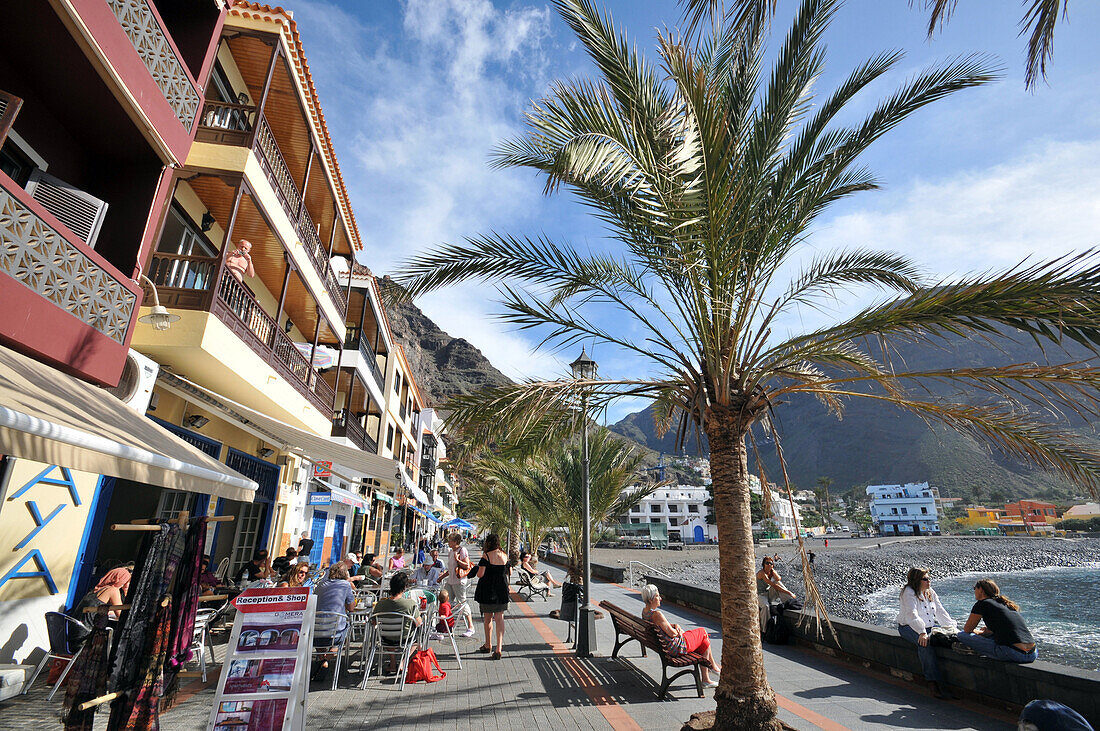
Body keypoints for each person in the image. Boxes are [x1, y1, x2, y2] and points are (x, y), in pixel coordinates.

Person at [640, 584, 720, 687]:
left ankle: (708, 676)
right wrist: (680, 631)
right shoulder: (657, 614)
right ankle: (711, 671)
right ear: (651, 600)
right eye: (657, 596)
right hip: (676, 647)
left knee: (703, 641)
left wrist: (675, 625)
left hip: (663, 646)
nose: (660, 598)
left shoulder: (645, 612)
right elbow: (672, 634)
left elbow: (662, 626)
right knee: (703, 632)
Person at [897, 566, 958, 699]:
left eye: (929, 578)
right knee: (925, 644)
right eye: (925, 579)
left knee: (949, 641)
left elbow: (940, 611)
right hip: (909, 627)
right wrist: (922, 632)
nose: (929, 581)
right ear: (916, 580)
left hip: (929, 627)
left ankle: (950, 684)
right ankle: (933, 683)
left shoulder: (930, 592)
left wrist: (952, 628)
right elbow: (911, 615)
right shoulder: (909, 592)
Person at [956, 578, 1037, 663]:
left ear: (981, 590)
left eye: (974, 588)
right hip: (1032, 654)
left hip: (1013, 653)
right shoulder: (1007, 605)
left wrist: (978, 632)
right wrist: (987, 632)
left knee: (962, 635)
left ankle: (976, 650)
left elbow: (967, 629)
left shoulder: (982, 604)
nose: (974, 591)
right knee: (991, 636)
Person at [313, 564, 355, 677]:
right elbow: (351, 608)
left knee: (320, 633)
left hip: (315, 635)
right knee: (345, 633)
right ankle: (326, 660)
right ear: (345, 574)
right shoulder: (345, 585)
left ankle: (322, 658)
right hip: (335, 634)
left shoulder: (320, 585)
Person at [474, 533, 512, 659]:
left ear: (488, 543)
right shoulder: (504, 555)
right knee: (500, 619)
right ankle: (499, 648)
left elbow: (480, 574)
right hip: (501, 590)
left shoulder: (486, 556)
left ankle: (488, 644)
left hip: (488, 591)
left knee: (488, 619)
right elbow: (509, 572)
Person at [442, 533, 475, 637]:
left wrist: (458, 559)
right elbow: (450, 568)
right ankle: (446, 627)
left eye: (450, 540)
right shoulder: (451, 551)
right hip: (450, 581)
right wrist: (441, 577)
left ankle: (470, 627)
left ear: (455, 541)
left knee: (462, 603)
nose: (448, 542)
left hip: (459, 582)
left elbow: (467, 565)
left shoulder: (462, 550)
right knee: (446, 603)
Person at [756, 557, 797, 633]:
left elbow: (778, 579)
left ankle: (789, 601)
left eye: (771, 563)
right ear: (763, 564)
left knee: (778, 582)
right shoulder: (761, 573)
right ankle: (765, 630)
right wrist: (789, 592)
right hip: (760, 595)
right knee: (765, 606)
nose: (769, 564)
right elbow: (774, 586)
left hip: (767, 593)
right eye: (767, 563)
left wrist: (773, 571)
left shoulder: (771, 572)